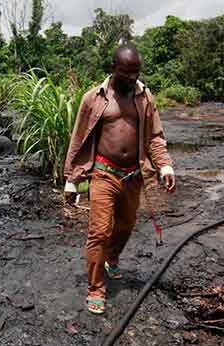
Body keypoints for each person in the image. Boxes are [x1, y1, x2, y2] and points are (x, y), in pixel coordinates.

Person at [63, 44, 175, 314]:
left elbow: (155, 136)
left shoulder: (145, 96)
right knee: (99, 232)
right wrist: (72, 179)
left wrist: (165, 166)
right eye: (126, 72)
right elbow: (79, 139)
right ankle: (95, 288)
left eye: (136, 72)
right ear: (113, 68)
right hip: (104, 173)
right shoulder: (94, 98)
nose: (132, 78)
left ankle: (112, 258)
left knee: (125, 226)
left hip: (133, 176)